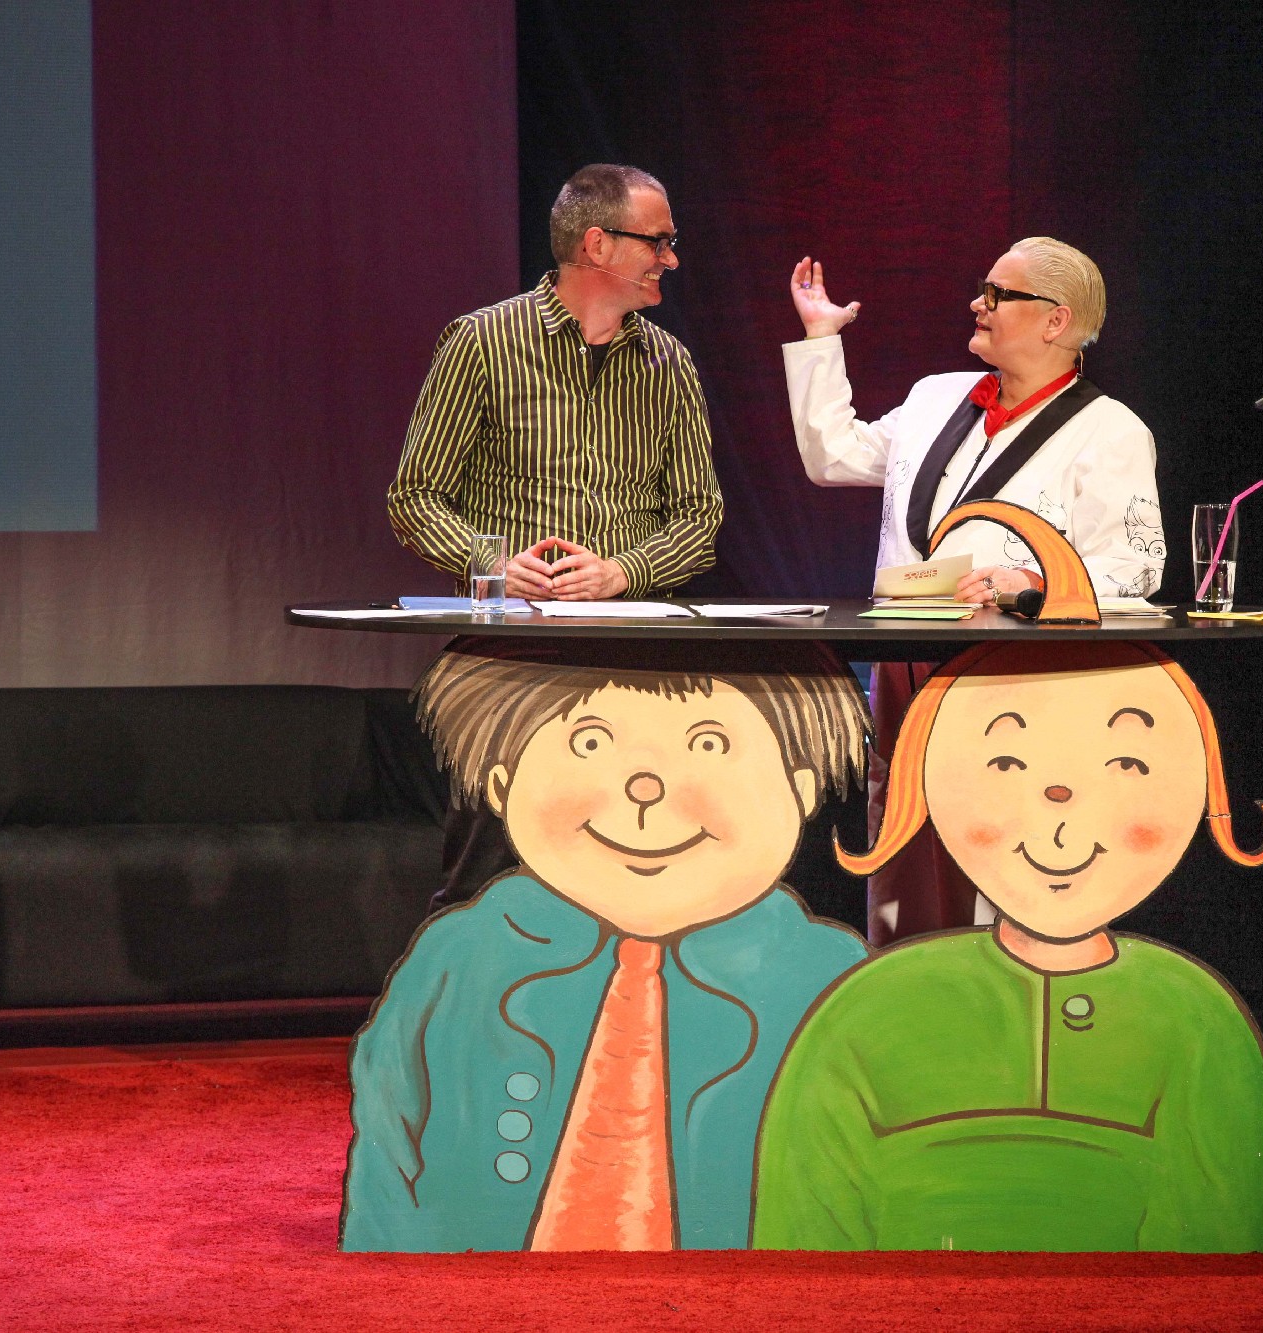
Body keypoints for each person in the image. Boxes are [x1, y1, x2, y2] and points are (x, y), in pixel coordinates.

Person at [751, 639, 1263, 1253]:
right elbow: (802, 1235)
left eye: (1127, 763)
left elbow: (1217, 1248)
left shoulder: (1199, 1017)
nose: (1060, 802)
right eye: (1006, 762)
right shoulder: (867, 1009)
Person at [340, 639, 870, 1253]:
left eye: (709, 744)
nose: (645, 787)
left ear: (800, 790)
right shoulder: (460, 957)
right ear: (502, 784)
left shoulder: (828, 978)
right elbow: (389, 1129)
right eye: (589, 742)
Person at [782, 238, 1165, 947]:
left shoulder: (1110, 432)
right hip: (908, 666)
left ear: (1055, 319)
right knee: (904, 852)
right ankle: (904, 992)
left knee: (1002, 847)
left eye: (997, 294)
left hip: (1011, 681)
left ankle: (1009, 999)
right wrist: (820, 339)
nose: (976, 304)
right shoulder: (937, 398)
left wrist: (1037, 584)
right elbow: (834, 456)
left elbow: (1137, 568)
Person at [387, 163, 725, 912]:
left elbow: (700, 520)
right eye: (658, 241)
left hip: (634, 658)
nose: (671, 259)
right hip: (514, 656)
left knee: (626, 875)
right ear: (597, 244)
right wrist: (495, 564)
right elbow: (414, 497)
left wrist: (622, 571)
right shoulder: (483, 342)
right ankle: (470, 987)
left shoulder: (669, 365)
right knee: (487, 879)